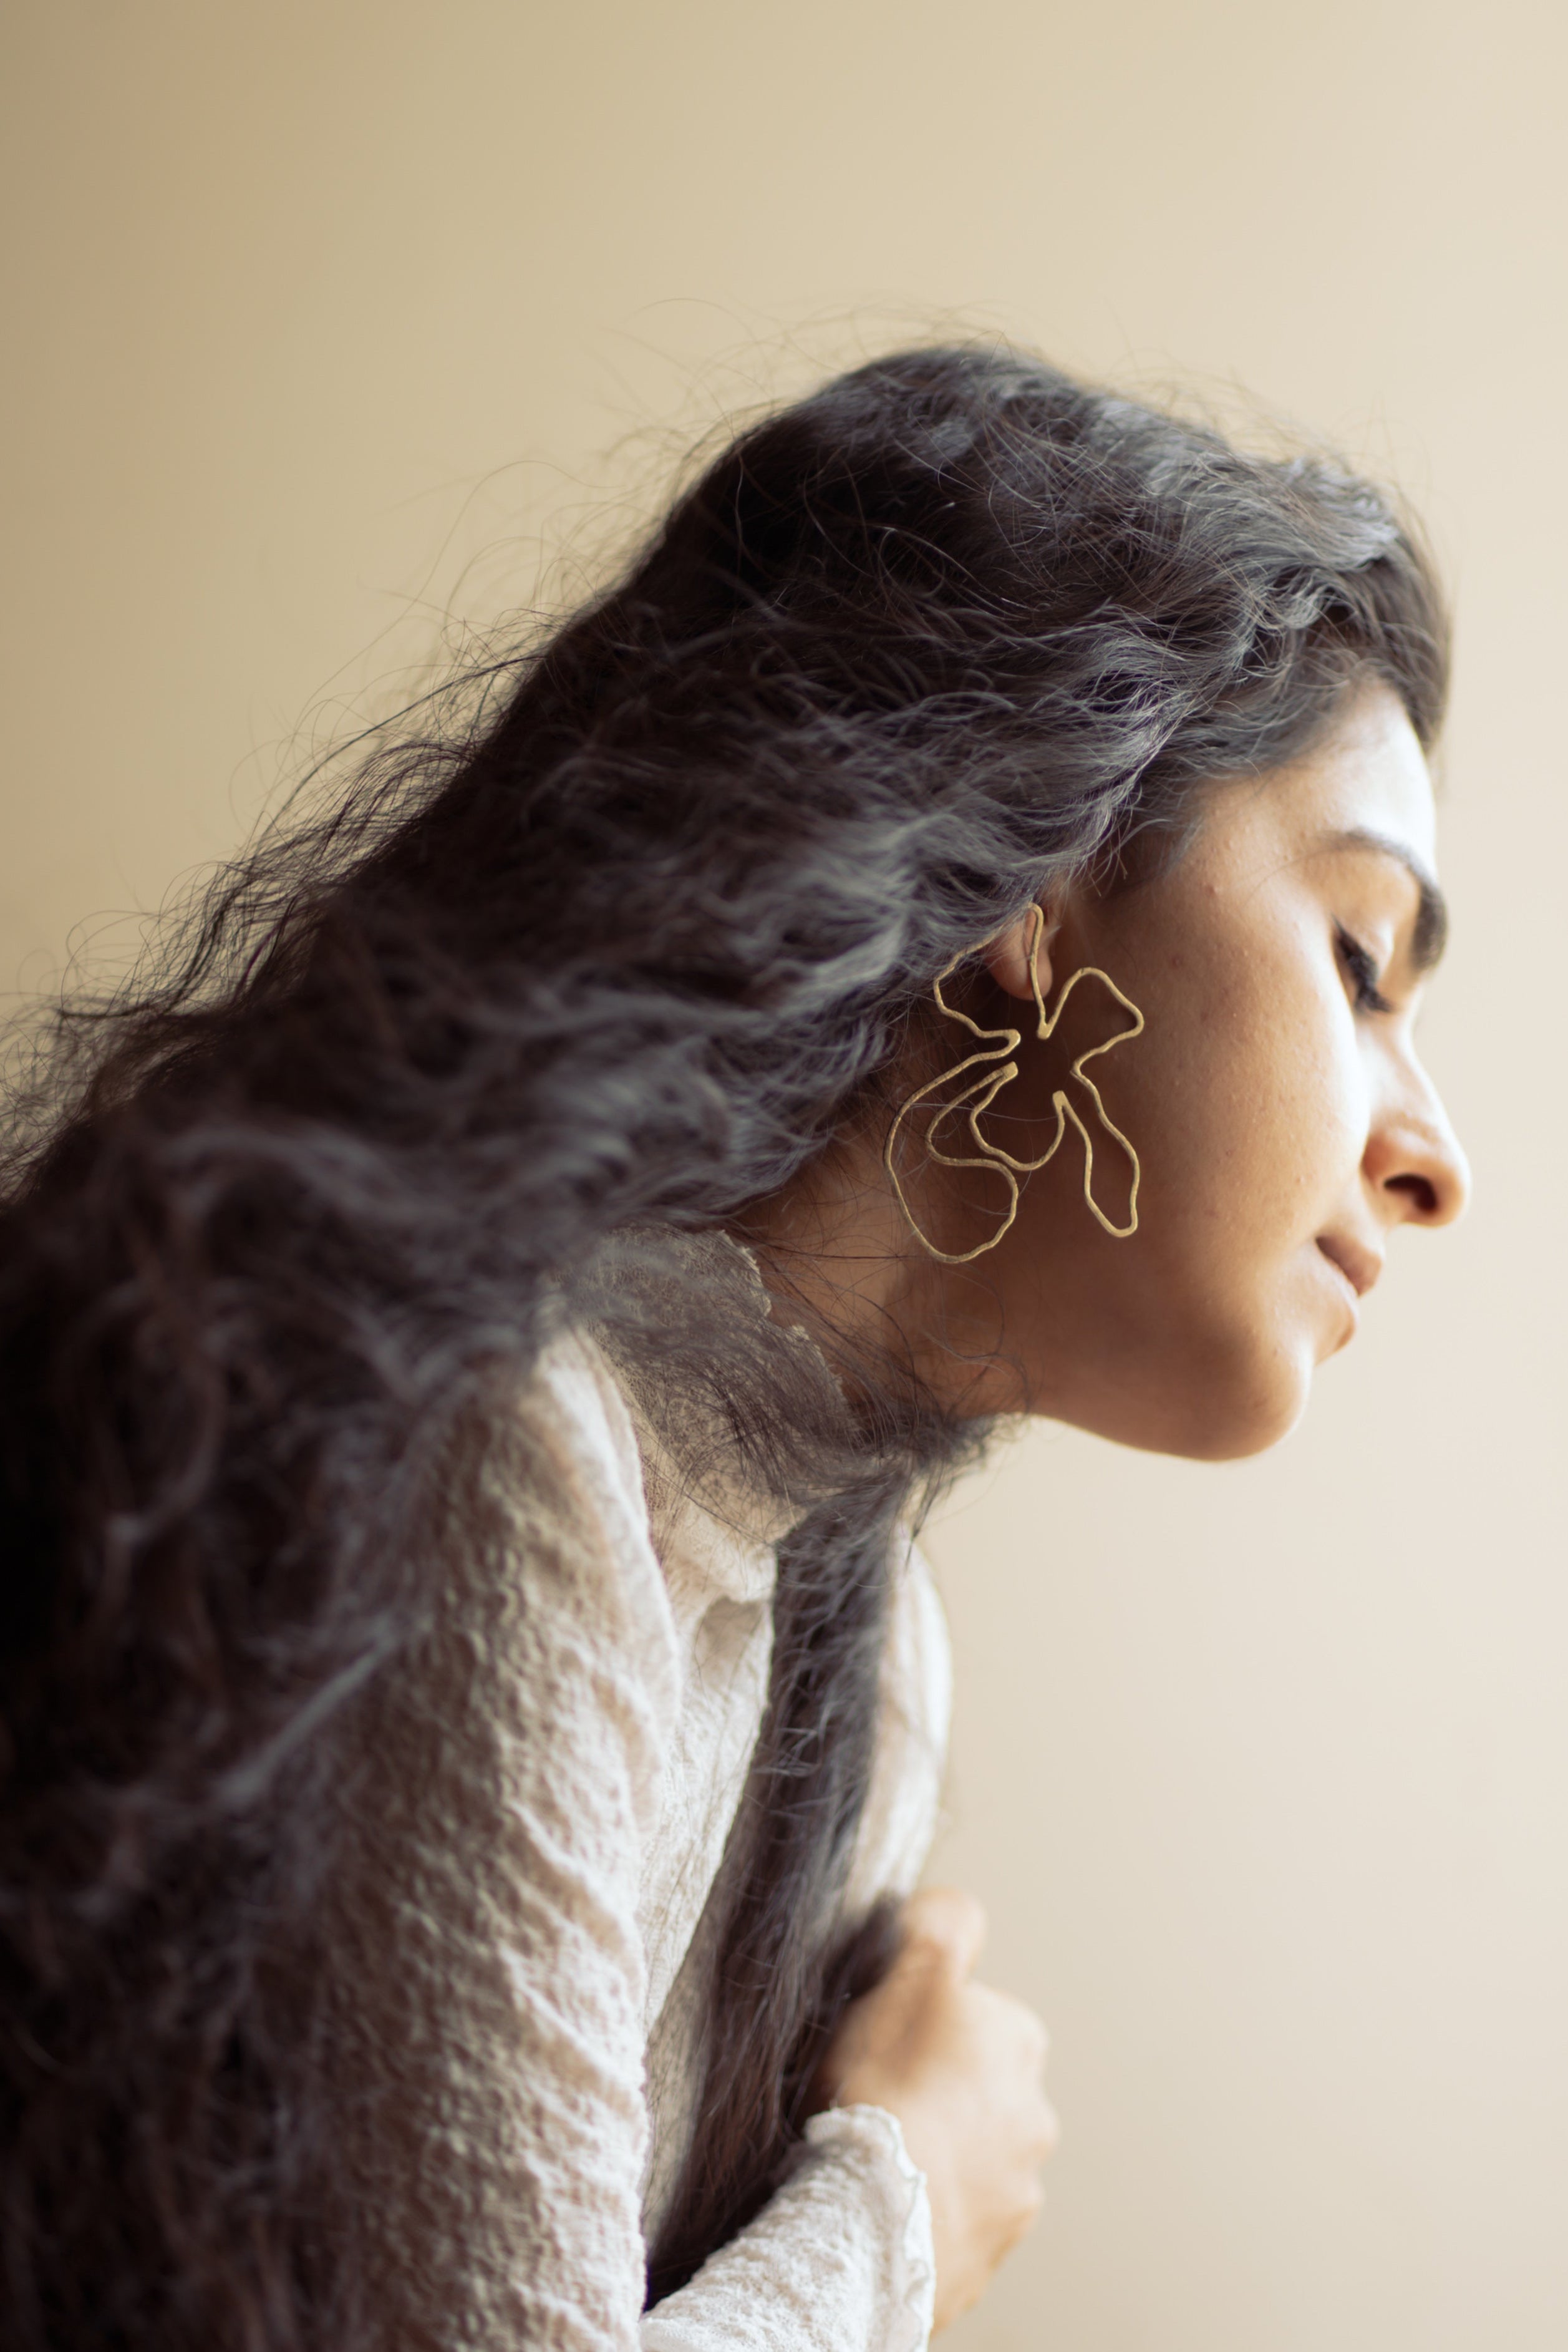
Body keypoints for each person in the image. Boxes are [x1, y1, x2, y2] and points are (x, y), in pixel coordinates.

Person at [0, 345, 1468, 2351]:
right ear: (1046, 876)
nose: (1433, 1154)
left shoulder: (863, 1653)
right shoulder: (505, 1438)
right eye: (1363, 960)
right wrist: (906, 2202)